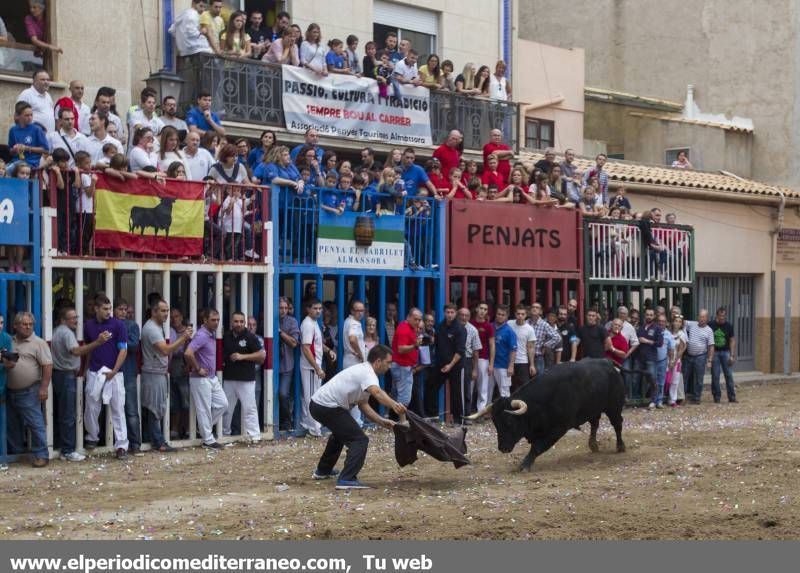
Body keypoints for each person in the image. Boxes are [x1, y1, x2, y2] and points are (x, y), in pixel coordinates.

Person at [310, 345, 406, 489]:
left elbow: (363, 405)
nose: (390, 366)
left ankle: (323, 471)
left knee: (340, 434)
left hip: (318, 404)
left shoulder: (365, 371)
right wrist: (394, 405)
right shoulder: (368, 373)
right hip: (325, 406)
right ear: (378, 362)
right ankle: (347, 479)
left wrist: (381, 421)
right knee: (359, 440)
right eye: (388, 362)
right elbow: (377, 393)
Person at [140, 299, 192, 452]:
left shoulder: (157, 326)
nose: (166, 314)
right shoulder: (152, 329)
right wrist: (183, 338)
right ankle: (158, 442)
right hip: (153, 373)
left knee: (156, 408)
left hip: (157, 372)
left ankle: (155, 439)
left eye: (167, 310)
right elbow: (165, 350)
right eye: (163, 311)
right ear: (154, 311)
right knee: (154, 408)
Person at [3, 312, 52, 468]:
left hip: (29, 390)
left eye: (30, 324)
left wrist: (44, 387)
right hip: (9, 390)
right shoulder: (8, 340)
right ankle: (16, 452)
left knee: (35, 423)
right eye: (24, 324)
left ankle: (42, 455)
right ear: (15, 325)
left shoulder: (39, 343)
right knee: (12, 423)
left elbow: (47, 366)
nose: (28, 327)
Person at [83, 295, 129, 460]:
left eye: (110, 309)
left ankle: (122, 445)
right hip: (95, 372)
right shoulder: (88, 325)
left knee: (118, 409)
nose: (109, 312)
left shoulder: (118, 325)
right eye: (105, 309)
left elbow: (123, 350)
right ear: (96, 309)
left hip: (114, 373)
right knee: (91, 408)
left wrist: (115, 371)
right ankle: (92, 437)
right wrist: (85, 370)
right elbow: (88, 349)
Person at [184, 308, 228, 448]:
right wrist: (198, 368)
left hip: (211, 377)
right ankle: (208, 440)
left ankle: (204, 429)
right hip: (200, 378)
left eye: (218, 320)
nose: (216, 323)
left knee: (223, 404)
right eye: (213, 320)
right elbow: (188, 353)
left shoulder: (210, 333)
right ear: (205, 320)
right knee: (204, 409)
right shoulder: (202, 335)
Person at [221, 312, 265, 442]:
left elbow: (261, 356)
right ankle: (225, 434)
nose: (239, 324)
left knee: (249, 408)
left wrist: (242, 357)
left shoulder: (250, 337)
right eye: (236, 321)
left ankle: (254, 436)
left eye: (241, 321)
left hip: (246, 379)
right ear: (231, 322)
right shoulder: (226, 336)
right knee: (226, 408)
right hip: (229, 378)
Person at [424, 305, 466, 423]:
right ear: (444, 313)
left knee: (456, 392)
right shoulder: (440, 326)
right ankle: (433, 415)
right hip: (441, 364)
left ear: (456, 313)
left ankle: (458, 419)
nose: (450, 314)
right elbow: (436, 344)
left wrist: (450, 365)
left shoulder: (460, 329)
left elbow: (460, 351)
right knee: (431, 385)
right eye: (448, 312)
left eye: (452, 312)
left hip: (455, 365)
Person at [300, 298, 335, 437]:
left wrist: (328, 351)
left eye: (320, 308)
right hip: (310, 367)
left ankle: (309, 425)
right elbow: (306, 348)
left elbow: (318, 344)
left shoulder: (313, 323)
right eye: (315, 308)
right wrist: (317, 368)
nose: (318, 311)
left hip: (313, 366)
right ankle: (313, 428)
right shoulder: (308, 324)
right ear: (308, 309)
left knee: (310, 396)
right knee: (311, 398)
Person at [114, 298, 142, 455]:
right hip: (112, 372)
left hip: (128, 372)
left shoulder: (132, 325)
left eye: (125, 309)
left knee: (131, 409)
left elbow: (133, 346)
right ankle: (118, 443)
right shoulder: (110, 325)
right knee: (115, 410)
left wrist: (117, 341)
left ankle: (135, 443)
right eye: (120, 309)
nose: (123, 312)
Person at [390, 308, 423, 411]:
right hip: (402, 366)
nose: (417, 322)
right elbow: (401, 349)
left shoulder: (409, 327)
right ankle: (402, 422)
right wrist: (414, 346)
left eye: (419, 320)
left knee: (397, 395)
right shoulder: (404, 329)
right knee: (404, 398)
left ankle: (394, 420)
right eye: (415, 319)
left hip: (402, 366)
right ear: (408, 317)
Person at [342, 300, 368, 425]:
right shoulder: (354, 324)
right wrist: (360, 354)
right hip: (354, 360)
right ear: (352, 311)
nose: (360, 313)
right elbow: (352, 339)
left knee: (350, 391)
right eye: (357, 310)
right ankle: (356, 422)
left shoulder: (348, 321)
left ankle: (351, 420)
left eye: (362, 310)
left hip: (348, 359)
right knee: (356, 391)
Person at [276, 297, 300, 431]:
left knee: (283, 394)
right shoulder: (269, 318)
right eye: (281, 308)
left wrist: (280, 332)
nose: (283, 310)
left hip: (286, 364)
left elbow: (294, 343)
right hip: (271, 365)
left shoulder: (292, 321)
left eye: (286, 308)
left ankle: (287, 421)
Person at [8, 101, 49, 170]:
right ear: (18, 116)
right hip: (16, 162)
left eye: (31, 115)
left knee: (9, 170)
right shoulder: (13, 130)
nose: (30, 117)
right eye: (26, 115)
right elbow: (10, 150)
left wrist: (27, 148)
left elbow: (46, 150)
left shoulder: (37, 129)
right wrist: (15, 149)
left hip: (32, 163)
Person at [471, 301, 495, 411]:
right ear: (476, 309)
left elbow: (492, 345)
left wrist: (491, 363)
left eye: (485, 309)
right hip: (469, 358)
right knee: (469, 386)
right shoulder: (470, 323)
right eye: (481, 308)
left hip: (483, 359)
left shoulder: (488, 326)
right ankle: (467, 411)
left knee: (483, 388)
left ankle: (480, 412)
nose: (483, 311)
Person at [709, 307, 737, 403]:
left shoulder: (729, 326)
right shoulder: (711, 325)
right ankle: (717, 397)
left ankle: (732, 397)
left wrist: (732, 355)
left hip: (726, 352)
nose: (722, 318)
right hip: (715, 353)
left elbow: (732, 340)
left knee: (729, 375)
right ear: (717, 315)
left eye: (724, 316)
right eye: (720, 316)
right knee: (715, 375)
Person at [490, 304, 517, 401]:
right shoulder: (490, 327)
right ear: (495, 314)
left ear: (507, 317)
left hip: (503, 366)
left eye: (503, 315)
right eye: (498, 314)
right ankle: (486, 414)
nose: (500, 316)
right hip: (489, 365)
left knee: (504, 392)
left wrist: (511, 366)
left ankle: (505, 414)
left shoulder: (510, 331)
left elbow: (513, 350)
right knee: (487, 391)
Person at [458, 308, 482, 417]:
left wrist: (475, 369)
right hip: (452, 359)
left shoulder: (473, 330)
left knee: (466, 388)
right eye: (461, 315)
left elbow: (476, 351)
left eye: (466, 315)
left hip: (466, 360)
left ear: (469, 317)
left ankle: (466, 414)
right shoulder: (454, 327)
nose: (463, 317)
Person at [528, 302, 561, 375]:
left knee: (539, 381)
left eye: (537, 308)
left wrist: (545, 345)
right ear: (530, 310)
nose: (534, 309)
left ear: (540, 311)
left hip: (538, 357)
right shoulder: (526, 323)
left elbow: (557, 337)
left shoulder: (544, 324)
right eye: (533, 307)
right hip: (525, 358)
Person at [509, 304, 536, 391]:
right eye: (518, 313)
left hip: (523, 362)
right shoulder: (509, 324)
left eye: (522, 314)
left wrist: (532, 365)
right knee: (510, 387)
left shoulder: (529, 329)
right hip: (508, 361)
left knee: (524, 388)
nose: (520, 316)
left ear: (526, 315)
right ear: (515, 314)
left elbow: (531, 347)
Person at [667, 315, 687, 407]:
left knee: (675, 380)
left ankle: (672, 400)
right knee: (665, 379)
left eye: (680, 321)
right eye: (676, 321)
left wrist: (674, 361)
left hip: (676, 360)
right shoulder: (667, 333)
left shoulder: (682, 334)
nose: (677, 323)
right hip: (666, 359)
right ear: (672, 322)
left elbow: (681, 350)